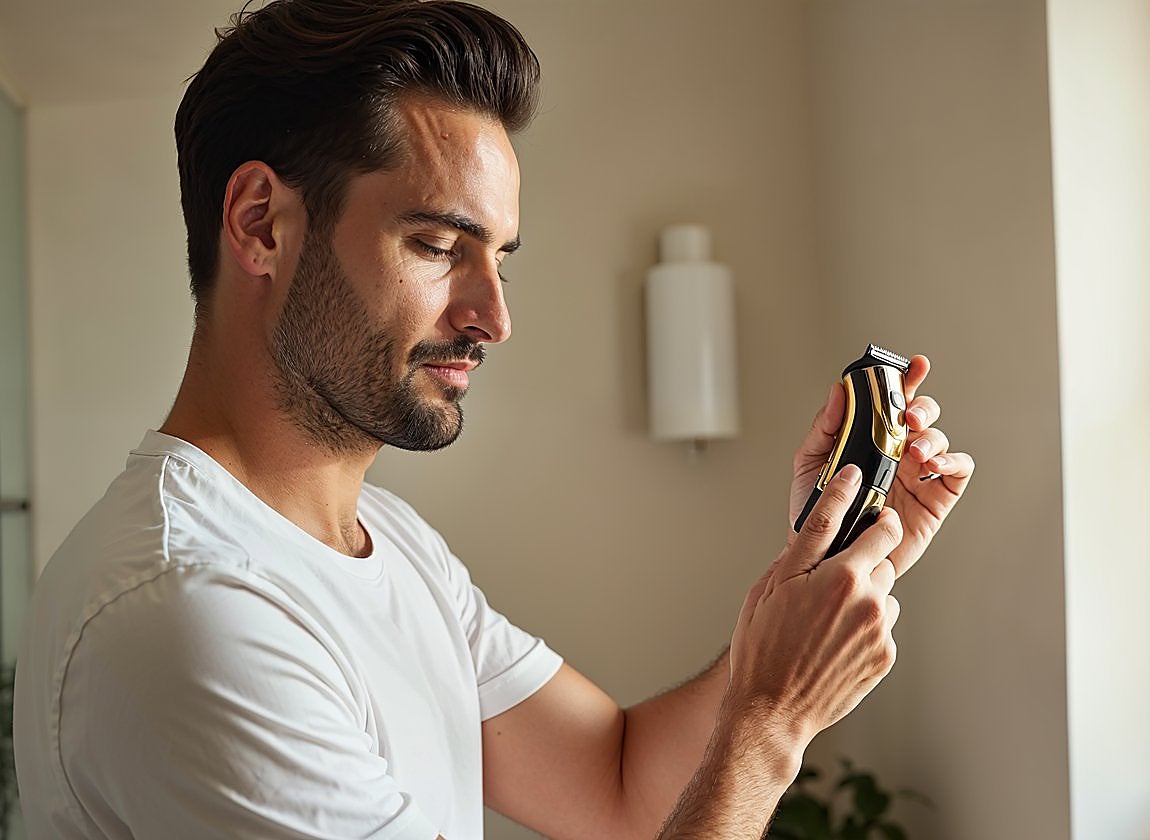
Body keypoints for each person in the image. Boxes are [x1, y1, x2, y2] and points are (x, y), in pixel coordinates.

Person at [13, 1, 975, 837]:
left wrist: (825, 570)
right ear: (262, 222)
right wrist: (770, 723)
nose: (494, 318)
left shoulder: (386, 543)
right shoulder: (191, 615)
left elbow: (623, 788)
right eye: (437, 243)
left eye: (500, 260)